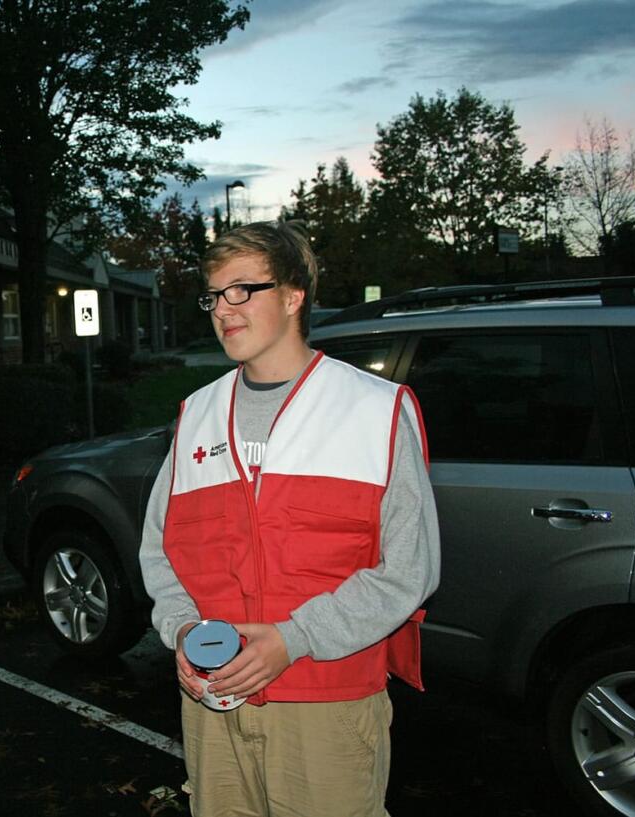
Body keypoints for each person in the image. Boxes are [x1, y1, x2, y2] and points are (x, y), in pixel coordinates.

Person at [139, 221, 440, 816]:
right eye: (213, 295)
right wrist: (181, 631)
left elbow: (410, 570)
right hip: (211, 705)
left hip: (327, 702)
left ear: (294, 295)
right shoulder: (197, 414)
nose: (223, 310)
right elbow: (161, 549)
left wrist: (294, 639)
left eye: (242, 290)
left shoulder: (375, 410)